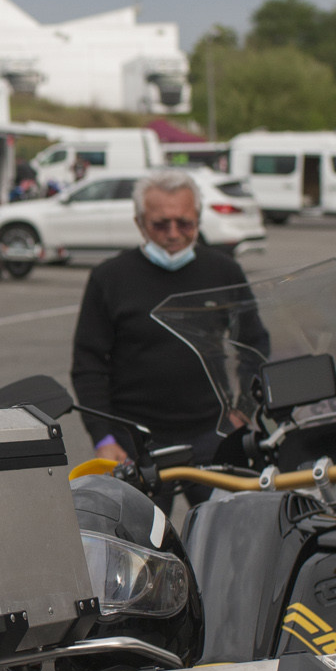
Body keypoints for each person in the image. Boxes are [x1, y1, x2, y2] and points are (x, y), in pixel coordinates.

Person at [70, 170, 253, 496]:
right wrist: (103, 436)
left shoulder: (225, 272)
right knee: (140, 540)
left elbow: (254, 343)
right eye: (160, 224)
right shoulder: (109, 278)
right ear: (140, 222)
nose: (173, 234)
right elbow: (89, 364)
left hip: (213, 431)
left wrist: (246, 410)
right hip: (135, 439)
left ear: (198, 217)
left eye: (185, 223)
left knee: (226, 534)